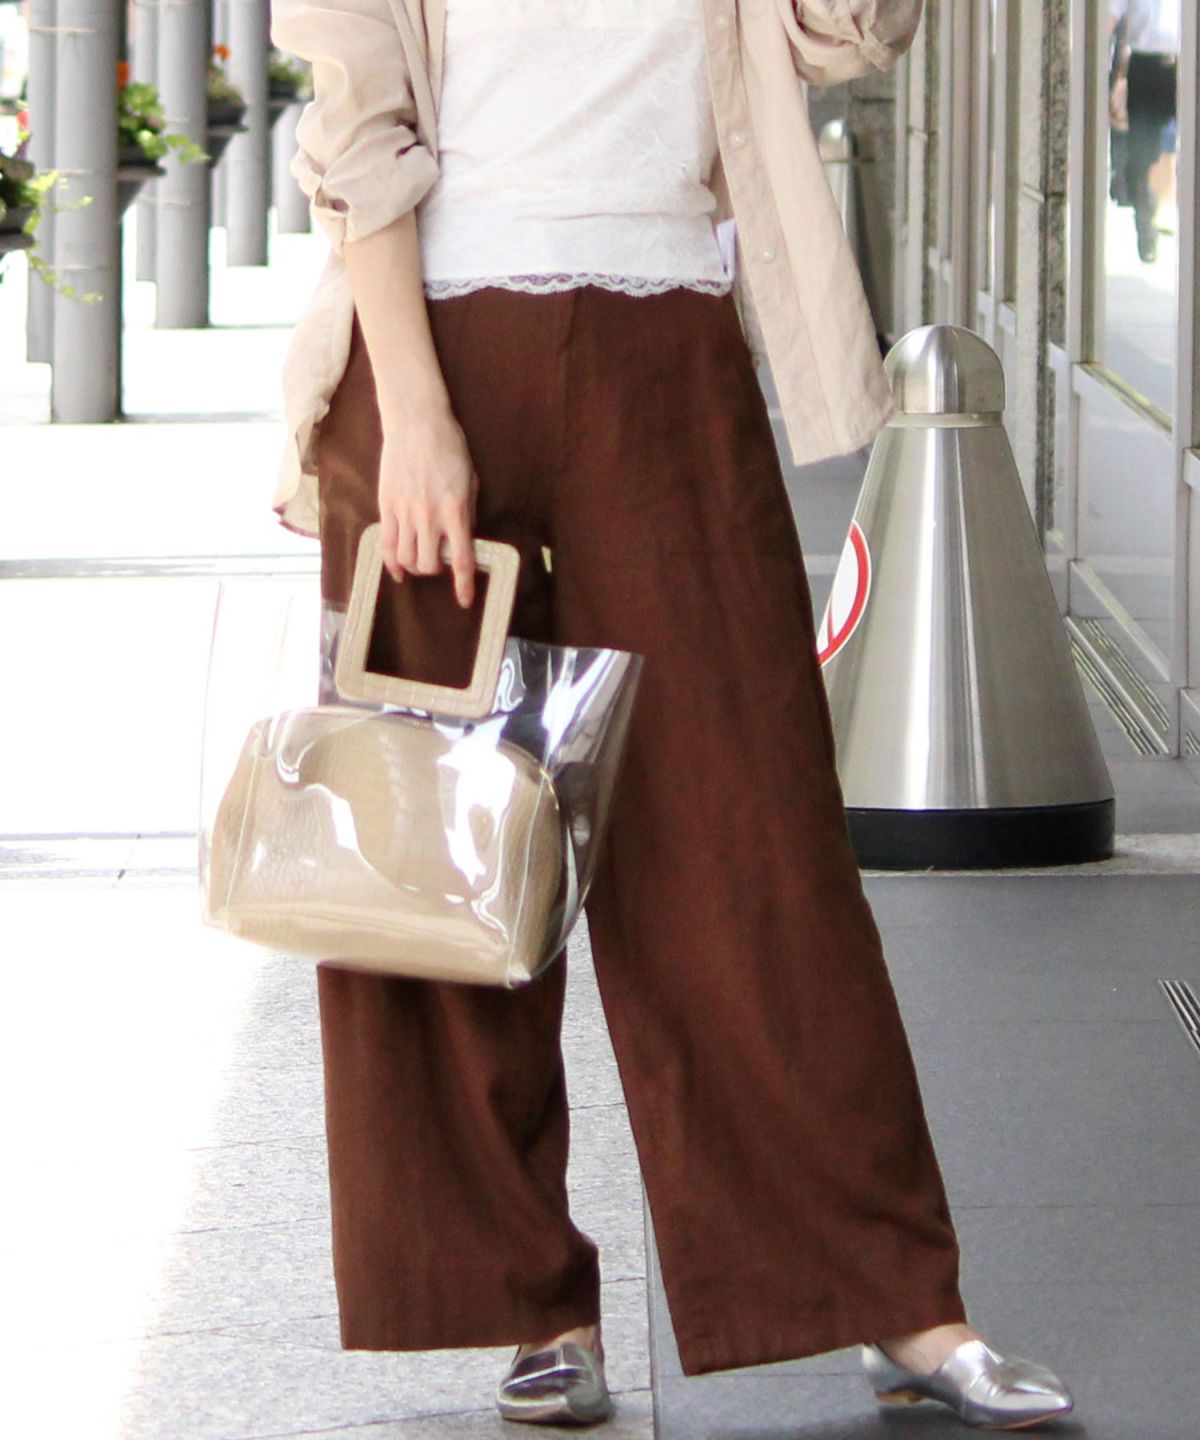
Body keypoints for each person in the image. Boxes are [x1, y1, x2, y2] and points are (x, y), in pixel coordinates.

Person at [268, 0, 1076, 1428]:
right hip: (434, 359)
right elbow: (356, 128)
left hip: (670, 355)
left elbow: (850, 35)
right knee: (443, 858)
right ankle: (529, 1303)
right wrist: (417, 418)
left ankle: (894, 1294)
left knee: (752, 843)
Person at [1108, 0, 1180, 262]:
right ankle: (1146, 219)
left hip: (1183, 62)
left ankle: (1167, 206)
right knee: (1143, 149)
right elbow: (1110, 17)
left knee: (1177, 142)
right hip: (1145, 65)